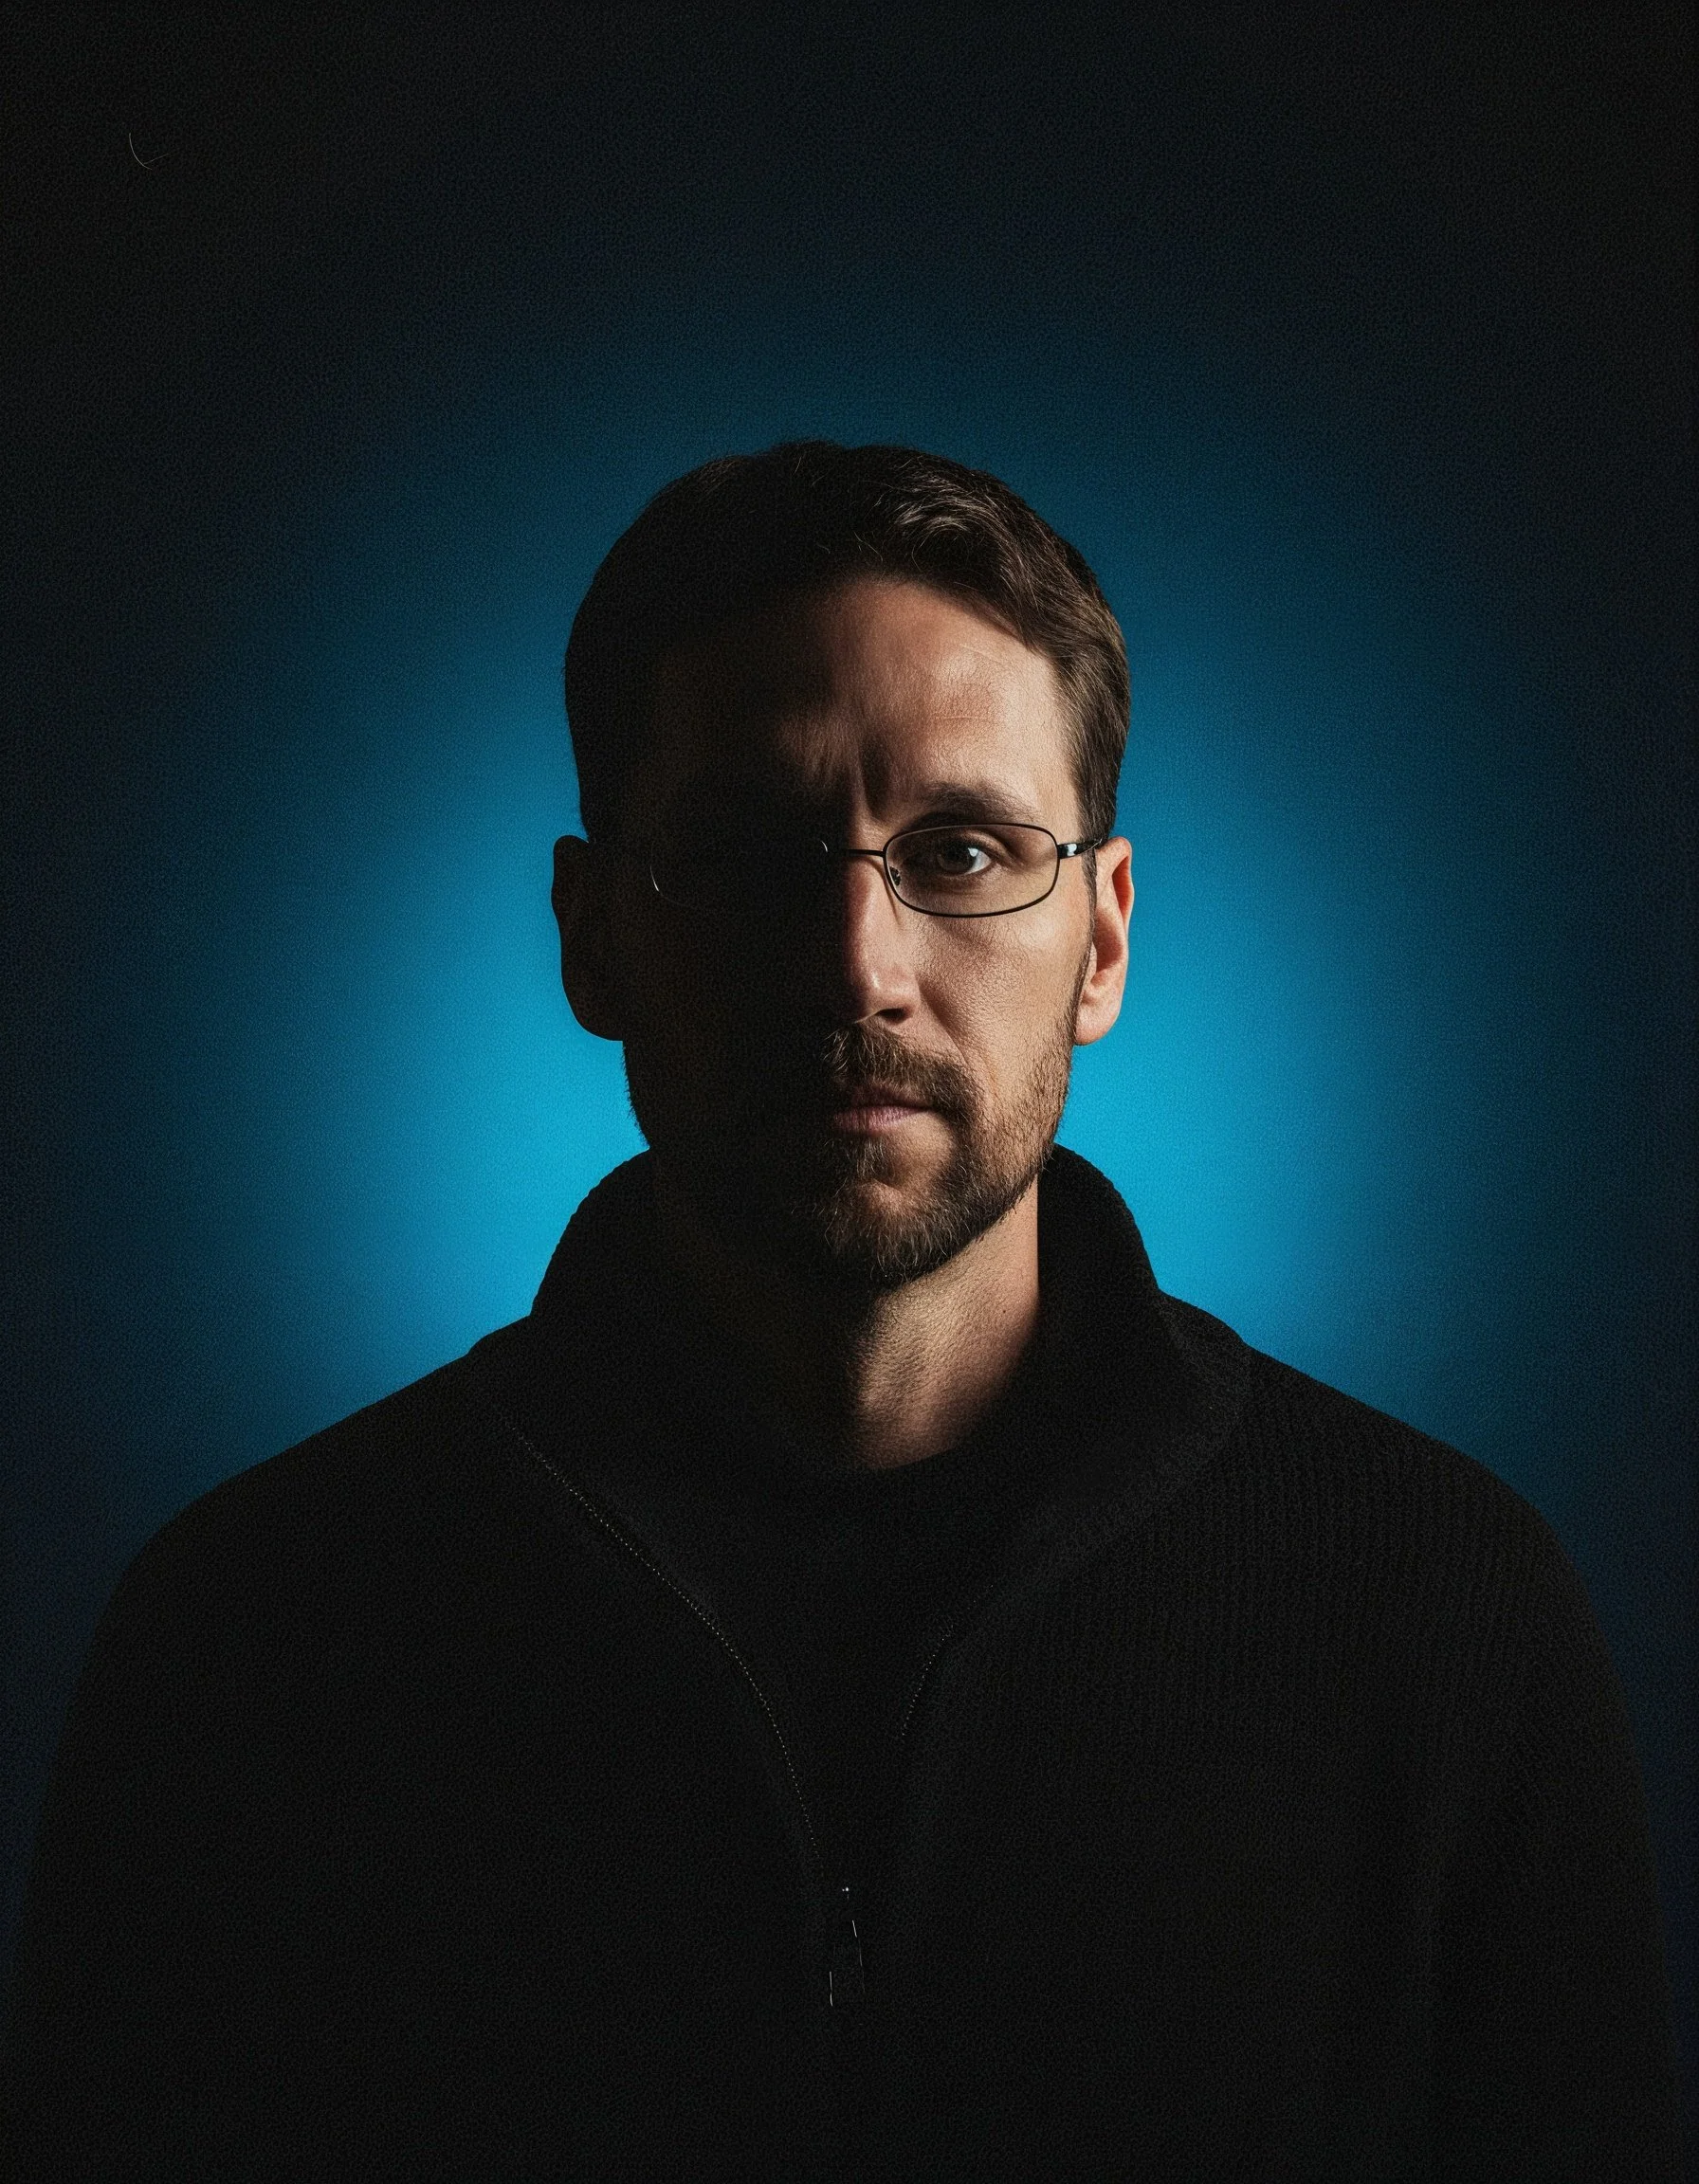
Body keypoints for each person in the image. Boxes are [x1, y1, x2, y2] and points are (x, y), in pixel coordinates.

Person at [1, 442, 1683, 2180]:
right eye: (744, 855)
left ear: (1103, 940)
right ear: (593, 936)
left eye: (961, 850)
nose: (858, 968)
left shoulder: (1446, 1619)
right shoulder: (251, 1644)